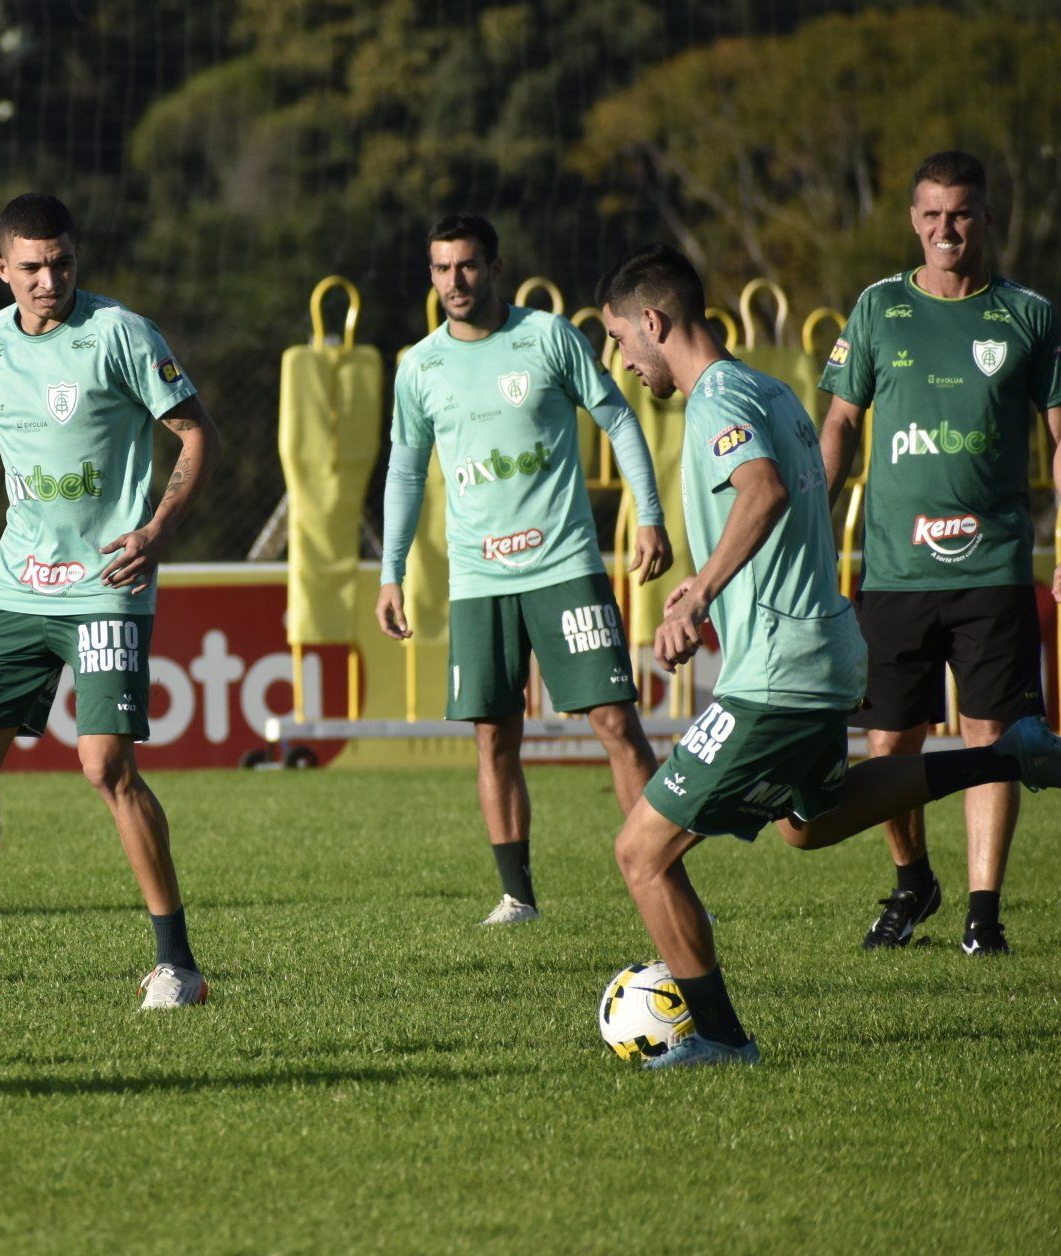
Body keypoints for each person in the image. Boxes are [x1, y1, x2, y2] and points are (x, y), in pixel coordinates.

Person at [597, 243, 1061, 1069]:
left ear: (654, 322)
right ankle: (1001, 757)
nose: (621, 360)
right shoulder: (773, 389)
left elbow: (764, 489)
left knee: (640, 852)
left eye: (620, 339)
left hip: (778, 668)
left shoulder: (717, 399)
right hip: (826, 648)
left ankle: (721, 1040)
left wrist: (701, 590)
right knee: (809, 823)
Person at [0, 192, 222, 1010]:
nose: (50, 280)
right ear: (2, 269)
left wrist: (155, 530)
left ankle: (178, 967)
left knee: (104, 765)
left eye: (64, 263)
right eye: (34, 266)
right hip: (16, 586)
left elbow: (195, 432)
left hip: (106, 585)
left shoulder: (120, 334)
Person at [376, 214, 673, 924]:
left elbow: (620, 420)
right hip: (479, 579)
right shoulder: (419, 367)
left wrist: (652, 513)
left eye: (469, 266)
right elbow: (405, 474)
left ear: (495, 267)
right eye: (442, 268)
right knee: (492, 735)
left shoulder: (547, 337)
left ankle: (665, 879)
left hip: (565, 564)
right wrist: (390, 571)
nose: (455, 281)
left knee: (615, 722)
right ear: (431, 275)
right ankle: (518, 897)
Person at [819, 151, 1061, 955]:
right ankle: (913, 880)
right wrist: (813, 525)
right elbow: (842, 425)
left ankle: (984, 916)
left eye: (960, 213)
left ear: (985, 219)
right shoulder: (878, 308)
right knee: (889, 747)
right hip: (894, 571)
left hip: (992, 568)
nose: (945, 229)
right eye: (930, 214)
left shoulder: (1029, 315)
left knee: (992, 739)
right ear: (913, 221)